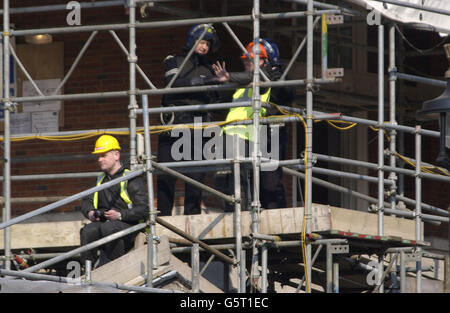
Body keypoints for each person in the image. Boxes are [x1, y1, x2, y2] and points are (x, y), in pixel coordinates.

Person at [213, 39, 295, 211]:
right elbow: (220, 98)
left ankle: (274, 220)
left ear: (267, 60)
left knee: (269, 184)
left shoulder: (273, 77)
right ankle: (239, 217)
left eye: (252, 59)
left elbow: (286, 92)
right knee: (231, 183)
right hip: (240, 136)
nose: (247, 63)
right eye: (246, 60)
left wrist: (276, 74)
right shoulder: (243, 84)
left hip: (269, 134)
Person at [157, 24, 223, 216]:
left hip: (198, 127)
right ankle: (162, 219)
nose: (204, 47)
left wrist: (221, 83)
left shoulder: (210, 69)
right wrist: (203, 83)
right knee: (166, 175)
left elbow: (216, 100)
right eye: (201, 42)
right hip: (173, 126)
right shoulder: (174, 61)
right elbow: (173, 84)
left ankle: (192, 219)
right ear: (192, 41)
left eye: (207, 44)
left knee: (195, 178)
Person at [80, 135, 149, 267]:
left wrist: (120, 215)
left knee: (109, 227)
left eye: (103, 155)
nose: (99, 160)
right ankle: (87, 271)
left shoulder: (132, 178)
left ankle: (117, 267)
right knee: (88, 231)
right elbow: (86, 202)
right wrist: (90, 213)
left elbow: (144, 209)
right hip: (107, 224)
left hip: (131, 226)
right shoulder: (100, 180)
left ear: (116, 155)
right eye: (98, 156)